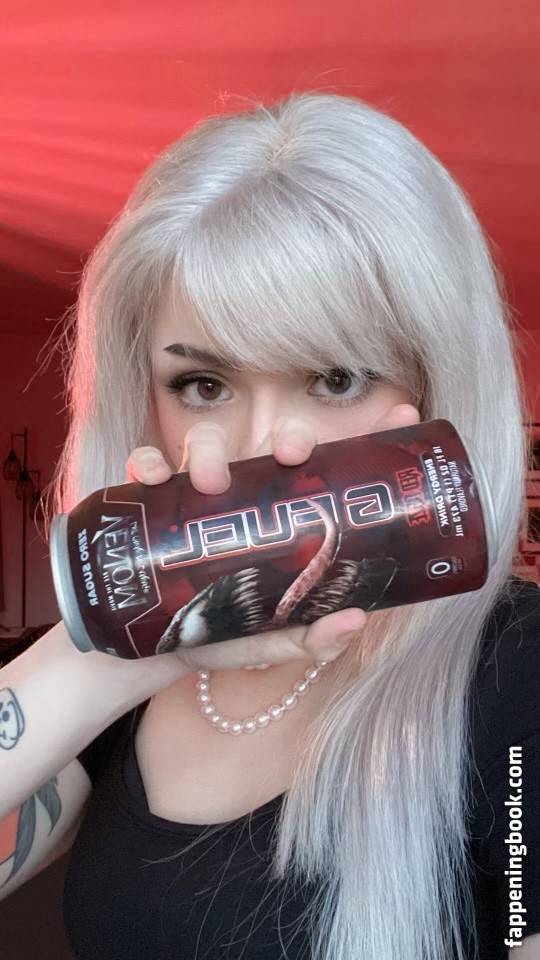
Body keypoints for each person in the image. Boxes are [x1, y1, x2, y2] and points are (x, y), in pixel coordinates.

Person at [0, 90, 538, 960]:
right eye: (203, 385)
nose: (262, 447)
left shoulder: (518, 673)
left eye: (335, 379)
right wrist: (111, 655)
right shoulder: (115, 695)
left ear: (432, 391)